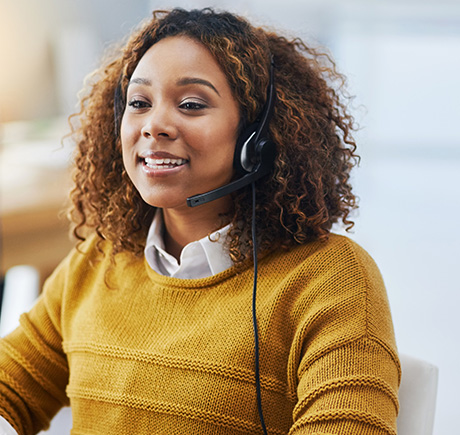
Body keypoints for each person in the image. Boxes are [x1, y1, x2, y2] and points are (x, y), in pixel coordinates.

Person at [0, 7, 400, 435]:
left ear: (258, 138)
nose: (154, 125)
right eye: (139, 103)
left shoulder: (330, 280)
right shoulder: (98, 260)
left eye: (191, 104)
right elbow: (10, 390)